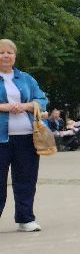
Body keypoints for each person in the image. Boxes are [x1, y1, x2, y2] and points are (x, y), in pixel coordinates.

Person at [0, 38, 48, 233]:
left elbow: (41, 98)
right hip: (1, 139)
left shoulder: (26, 78)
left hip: (27, 137)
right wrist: (6, 107)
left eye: (9, 52)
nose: (5, 55)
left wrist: (27, 106)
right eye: (1, 52)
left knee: (26, 179)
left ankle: (25, 218)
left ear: (15, 56)